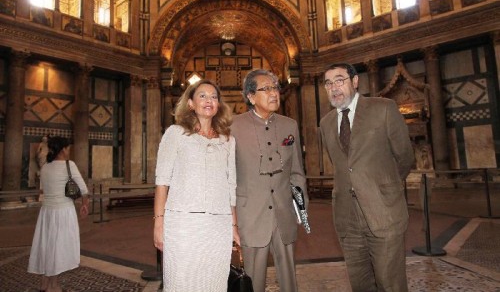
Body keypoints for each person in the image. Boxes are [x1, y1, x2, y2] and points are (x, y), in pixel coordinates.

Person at [319, 63, 415, 292]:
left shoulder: (383, 108)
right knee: (360, 284)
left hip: (383, 213)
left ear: (354, 82)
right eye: (328, 83)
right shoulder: (326, 123)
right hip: (348, 220)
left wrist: (384, 188)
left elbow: (405, 157)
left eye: (339, 80)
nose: (334, 87)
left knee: (390, 284)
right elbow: (343, 167)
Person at [153, 79, 239, 292]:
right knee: (181, 283)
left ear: (218, 105)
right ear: (191, 103)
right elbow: (162, 181)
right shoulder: (175, 133)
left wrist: (233, 227)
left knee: (214, 284)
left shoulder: (228, 140)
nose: (209, 100)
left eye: (214, 97)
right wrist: (158, 224)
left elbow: (231, 187)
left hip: (218, 226)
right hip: (183, 224)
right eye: (202, 95)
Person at [231, 69, 307, 292]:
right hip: (250, 216)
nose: (274, 93)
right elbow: (228, 176)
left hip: (284, 214)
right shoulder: (233, 127)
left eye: (276, 88)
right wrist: (232, 220)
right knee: (253, 280)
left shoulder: (289, 125)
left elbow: (296, 173)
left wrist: (300, 211)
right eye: (266, 89)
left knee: (289, 279)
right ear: (251, 97)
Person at [28, 136, 89, 292]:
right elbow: (83, 189)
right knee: (57, 248)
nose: (69, 151)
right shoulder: (69, 165)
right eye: (68, 148)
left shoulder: (45, 167)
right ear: (63, 149)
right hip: (63, 212)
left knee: (46, 246)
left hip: (46, 212)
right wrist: (84, 205)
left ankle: (44, 283)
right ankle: (53, 286)